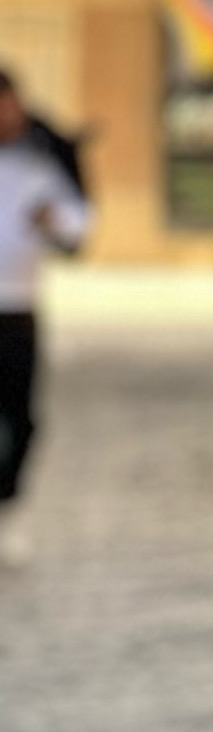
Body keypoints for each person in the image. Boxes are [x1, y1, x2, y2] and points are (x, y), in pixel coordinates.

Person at [0, 66, 92, 564]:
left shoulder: (42, 159)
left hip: (17, 307)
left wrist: (52, 222)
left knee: (22, 418)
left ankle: (7, 506)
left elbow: (77, 226)